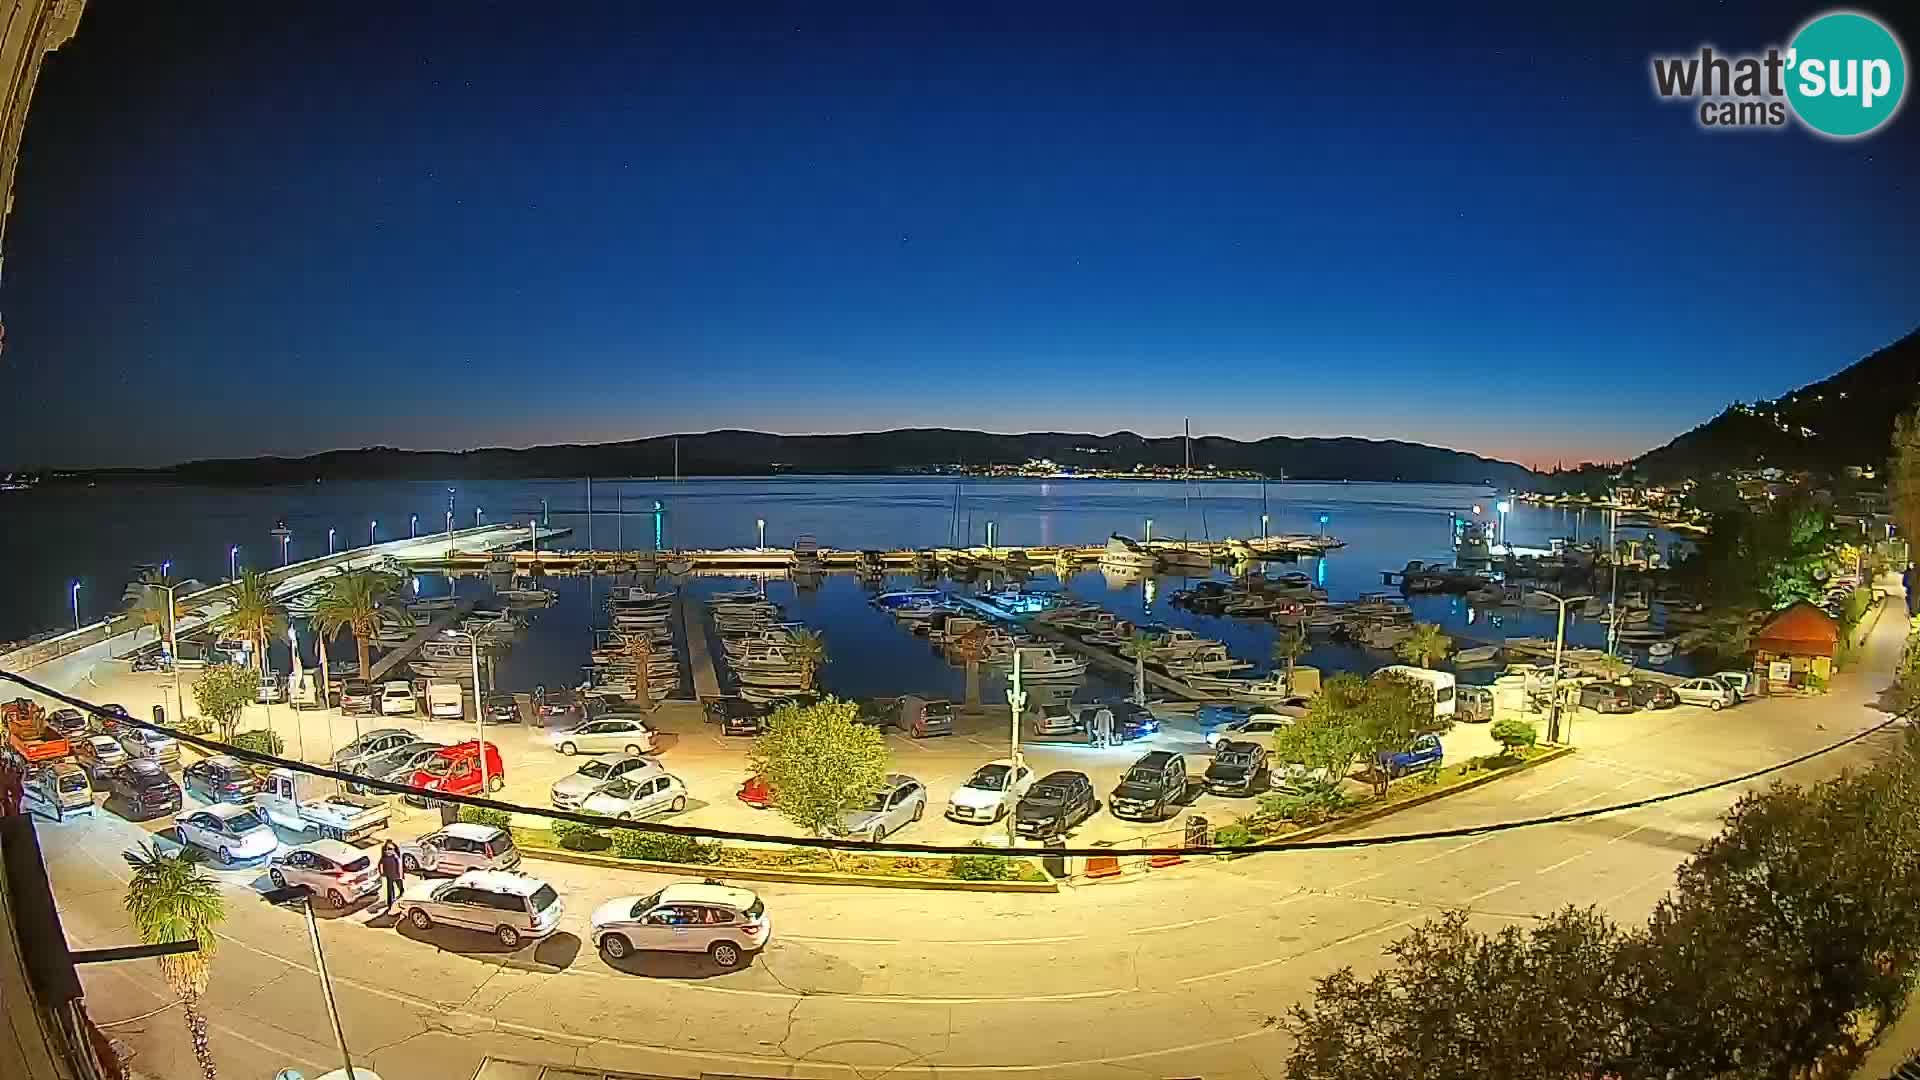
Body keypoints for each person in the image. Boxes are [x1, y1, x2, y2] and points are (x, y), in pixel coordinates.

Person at [379, 840, 404, 910]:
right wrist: (382, 873)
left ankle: (402, 896)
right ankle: (390, 904)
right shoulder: (384, 857)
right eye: (387, 849)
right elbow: (380, 864)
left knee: (400, 887)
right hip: (389, 875)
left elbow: (400, 865)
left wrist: (401, 875)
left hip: (396, 875)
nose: (388, 851)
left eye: (390, 849)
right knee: (390, 890)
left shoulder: (396, 857)